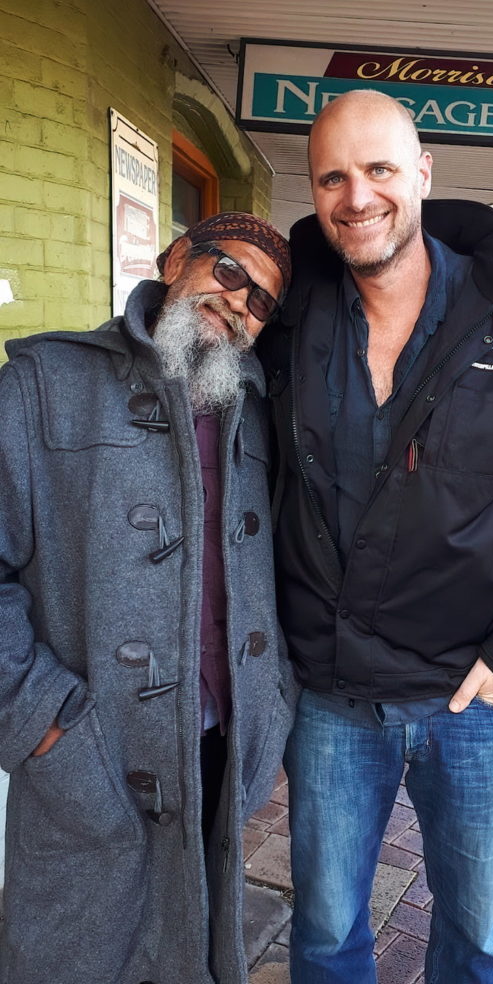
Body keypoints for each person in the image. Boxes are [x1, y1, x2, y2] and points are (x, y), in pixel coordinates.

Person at [260, 91, 493, 983]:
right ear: (315, 194)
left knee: (474, 940)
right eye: (333, 177)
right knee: (321, 936)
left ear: (423, 173)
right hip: (328, 693)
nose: (357, 197)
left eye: (380, 169)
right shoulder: (289, 317)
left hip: (473, 697)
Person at [0, 212, 298, 984]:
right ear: (175, 260)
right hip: (88, 746)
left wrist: (274, 706)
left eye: (262, 302)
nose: (239, 303)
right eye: (228, 272)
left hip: (215, 751)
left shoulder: (259, 410)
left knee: (188, 956)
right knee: (77, 958)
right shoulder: (42, 384)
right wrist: (41, 722)